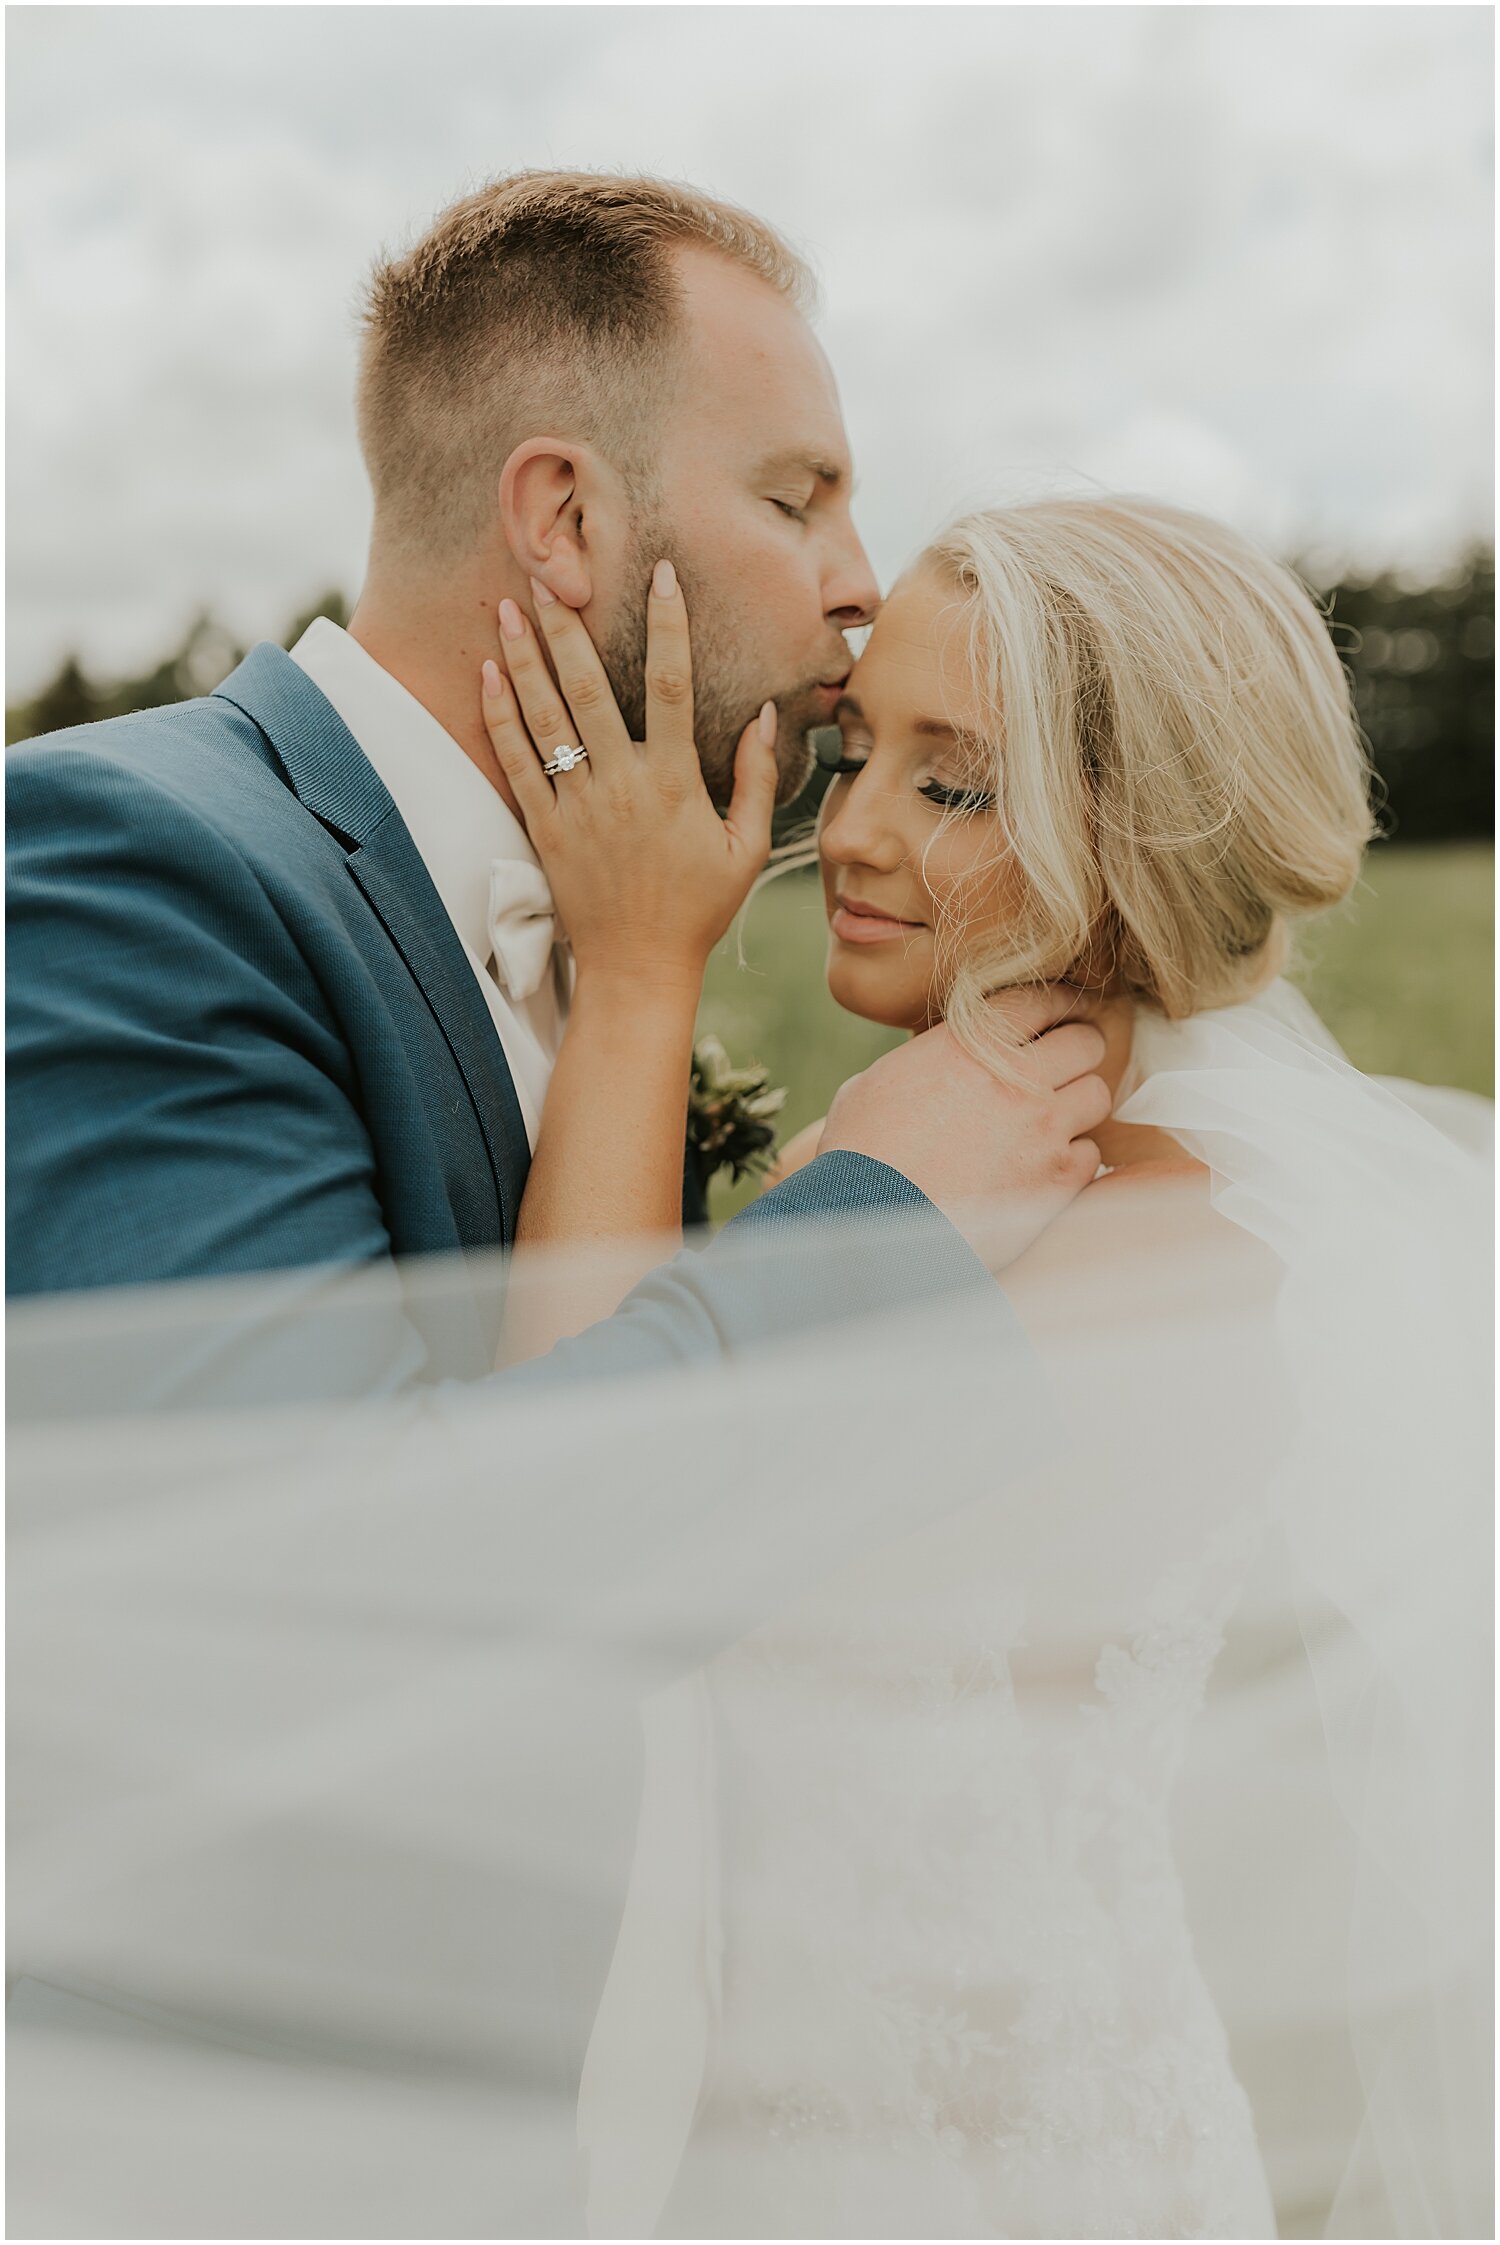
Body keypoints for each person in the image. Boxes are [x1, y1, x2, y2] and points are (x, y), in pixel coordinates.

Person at [482, 494, 1490, 2235]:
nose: (848, 835)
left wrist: (642, 974)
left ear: (1149, 833)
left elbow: (566, 1527)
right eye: (857, 753)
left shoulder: (1132, 1266)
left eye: (949, 785)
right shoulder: (977, 1194)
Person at [5, 170, 1109, 1392]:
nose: (862, 586)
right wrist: (881, 1224)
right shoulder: (130, 869)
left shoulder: (623, 900)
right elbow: (313, 1542)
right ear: (566, 517)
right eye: (795, 501)